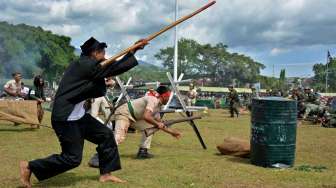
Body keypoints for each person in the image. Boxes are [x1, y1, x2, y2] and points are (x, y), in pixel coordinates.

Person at [19, 37, 147, 187]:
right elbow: (112, 69)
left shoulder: (88, 65)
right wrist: (132, 51)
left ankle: (106, 174)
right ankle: (29, 166)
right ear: (94, 53)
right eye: (102, 52)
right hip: (66, 119)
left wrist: (132, 51)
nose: (105, 54)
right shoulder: (83, 64)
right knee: (72, 159)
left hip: (78, 116)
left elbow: (104, 73)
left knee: (106, 136)